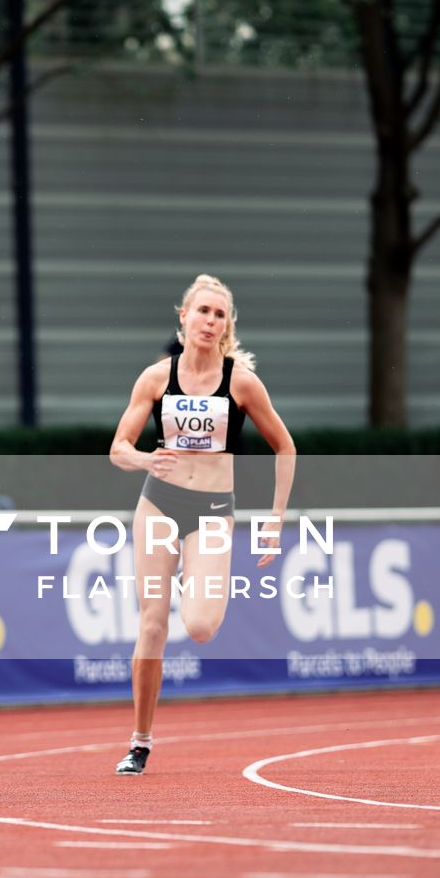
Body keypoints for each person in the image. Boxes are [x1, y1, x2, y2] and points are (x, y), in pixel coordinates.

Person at [108, 274, 295, 776]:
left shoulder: (240, 382)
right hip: (159, 505)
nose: (210, 322)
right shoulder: (155, 378)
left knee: (201, 627)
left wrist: (275, 520)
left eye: (219, 315)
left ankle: (201, 584)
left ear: (227, 325)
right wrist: (147, 460)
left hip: (213, 511)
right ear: (183, 317)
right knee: (152, 625)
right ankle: (139, 742)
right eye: (202, 312)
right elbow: (118, 448)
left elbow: (285, 446)